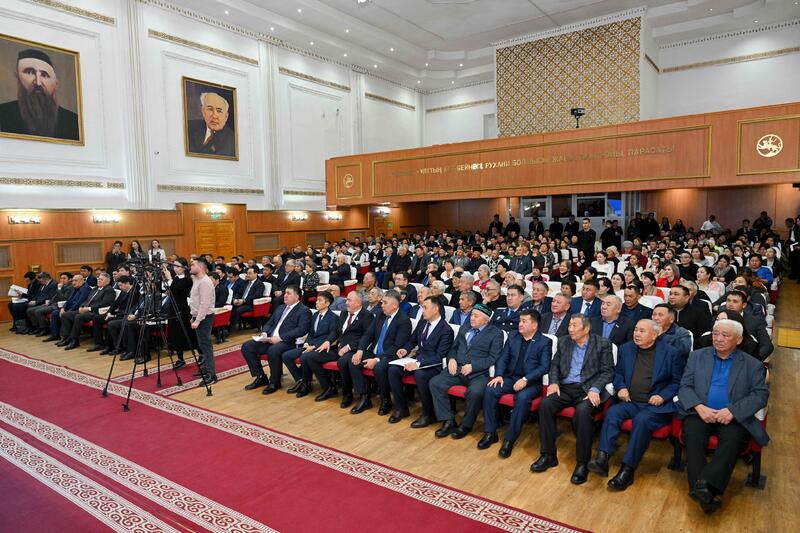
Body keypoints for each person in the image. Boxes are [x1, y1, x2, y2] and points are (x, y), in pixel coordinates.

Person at [678, 319, 769, 514]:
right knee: (693, 436)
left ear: (738, 340)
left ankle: (702, 487)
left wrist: (733, 411)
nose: (718, 339)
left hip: (732, 416)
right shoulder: (697, 356)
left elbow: (760, 395)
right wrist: (699, 406)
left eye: (725, 335)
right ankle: (706, 491)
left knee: (732, 440)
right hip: (700, 411)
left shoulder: (752, 364)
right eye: (715, 334)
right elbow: (684, 386)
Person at [587, 319, 683, 490]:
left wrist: (662, 396)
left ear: (654, 335)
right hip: (630, 401)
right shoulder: (626, 349)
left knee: (642, 421)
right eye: (636, 330)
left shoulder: (671, 353)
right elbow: (618, 374)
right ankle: (602, 458)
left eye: (642, 331)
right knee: (613, 413)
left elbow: (677, 382)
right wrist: (621, 387)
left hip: (654, 406)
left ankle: (627, 469)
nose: (636, 334)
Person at [531, 314, 614, 485]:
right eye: (569, 325)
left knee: (582, 412)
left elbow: (608, 371)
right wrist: (554, 382)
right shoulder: (564, 341)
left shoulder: (602, 344)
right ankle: (548, 454)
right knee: (545, 404)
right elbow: (554, 365)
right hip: (566, 387)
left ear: (586, 329)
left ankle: (582, 463)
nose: (570, 329)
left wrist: (595, 389)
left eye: (574, 326)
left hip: (588, 389)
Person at [479, 310, 551, 458]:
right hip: (510, 378)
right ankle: (490, 432)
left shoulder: (544, 342)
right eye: (520, 321)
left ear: (534, 325)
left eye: (524, 321)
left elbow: (544, 367)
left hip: (531, 383)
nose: (520, 324)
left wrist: (525, 379)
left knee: (522, 398)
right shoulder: (513, 336)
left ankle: (509, 440)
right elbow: (503, 358)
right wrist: (499, 375)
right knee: (490, 389)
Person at [429, 303, 504, 439]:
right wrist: (452, 359)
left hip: (478, 373)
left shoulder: (496, 333)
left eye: (476, 316)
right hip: (457, 368)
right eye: (472, 315)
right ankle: (448, 420)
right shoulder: (465, 327)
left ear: (486, 320)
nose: (472, 318)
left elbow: (493, 358)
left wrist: (473, 366)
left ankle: (466, 425)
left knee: (475, 393)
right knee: (435, 383)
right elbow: (454, 348)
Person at [388, 296, 455, 425]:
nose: (422, 310)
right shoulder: (422, 323)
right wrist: (405, 349)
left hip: (433, 365)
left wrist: (418, 364)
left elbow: (440, 356)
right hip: (418, 359)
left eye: (425, 307)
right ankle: (401, 408)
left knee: (420, 374)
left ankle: (428, 414)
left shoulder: (446, 330)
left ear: (435, 309)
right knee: (393, 370)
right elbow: (412, 340)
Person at [347, 290, 412, 415]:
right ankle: (364, 398)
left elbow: (397, 346)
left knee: (379, 367)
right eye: (382, 302)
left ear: (395, 305)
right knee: (353, 360)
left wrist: (377, 359)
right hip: (374, 352)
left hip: (391, 355)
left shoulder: (404, 320)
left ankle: (385, 400)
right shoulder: (381, 315)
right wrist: (360, 351)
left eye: (385, 303)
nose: (382, 305)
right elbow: (368, 335)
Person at [241, 286, 311, 394]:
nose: (285, 295)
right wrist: (264, 333)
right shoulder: (280, 308)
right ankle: (260, 376)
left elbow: (301, 330)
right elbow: (270, 323)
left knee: (273, 350)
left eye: (288, 293)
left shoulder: (304, 310)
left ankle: (275, 381)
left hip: (289, 342)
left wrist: (280, 338)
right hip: (271, 339)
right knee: (247, 346)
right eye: (285, 293)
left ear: (297, 297)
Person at [307, 291, 372, 406]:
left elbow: (367, 336)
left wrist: (349, 347)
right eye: (346, 300)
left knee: (343, 362)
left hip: (353, 349)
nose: (346, 303)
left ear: (358, 303)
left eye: (349, 300)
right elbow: (336, 331)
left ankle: (348, 394)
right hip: (338, 348)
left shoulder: (367, 315)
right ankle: (329, 388)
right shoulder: (344, 313)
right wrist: (328, 341)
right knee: (311, 357)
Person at [0, 48, 79, 140]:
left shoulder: (73, 121)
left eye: (44, 75)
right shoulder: (3, 113)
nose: (38, 82)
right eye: (29, 72)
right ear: (17, 77)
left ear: (56, 83)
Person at [281, 291, 338, 397]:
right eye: (317, 300)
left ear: (327, 303)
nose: (316, 302)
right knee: (286, 355)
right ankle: (301, 380)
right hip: (310, 345)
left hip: (321, 347)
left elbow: (331, 336)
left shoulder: (333, 317)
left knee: (305, 357)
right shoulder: (315, 315)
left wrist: (314, 347)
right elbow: (311, 333)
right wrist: (307, 343)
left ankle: (306, 385)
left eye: (320, 300)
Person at [57, 273, 116, 350]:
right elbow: (87, 300)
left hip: (96, 312)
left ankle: (74, 340)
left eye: (101, 279)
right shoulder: (95, 289)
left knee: (79, 317)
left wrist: (89, 308)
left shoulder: (109, 290)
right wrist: (82, 307)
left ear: (107, 282)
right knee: (66, 315)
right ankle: (66, 338)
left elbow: (105, 303)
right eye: (98, 279)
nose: (98, 280)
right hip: (87, 310)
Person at [87, 275, 137, 352]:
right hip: (118, 313)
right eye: (119, 285)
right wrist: (109, 312)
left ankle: (114, 346)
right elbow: (115, 303)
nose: (120, 287)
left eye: (121, 285)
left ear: (127, 283)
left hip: (125, 315)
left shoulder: (134, 292)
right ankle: (99, 343)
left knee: (110, 322)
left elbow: (131, 308)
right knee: (97, 318)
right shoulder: (123, 291)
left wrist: (114, 315)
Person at [720, 290, 773, 361]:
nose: (730, 304)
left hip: (746, 358)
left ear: (744, 305)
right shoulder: (718, 318)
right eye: (728, 300)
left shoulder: (755, 321)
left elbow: (767, 346)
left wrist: (753, 361)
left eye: (735, 301)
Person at [188, 259, 217, 383]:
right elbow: (195, 301)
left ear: (200, 267)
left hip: (205, 317)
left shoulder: (205, 282)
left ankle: (211, 374)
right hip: (198, 316)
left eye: (193, 265)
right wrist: (193, 316)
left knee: (206, 345)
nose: (190, 266)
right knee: (202, 344)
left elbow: (204, 304)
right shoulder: (197, 280)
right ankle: (206, 368)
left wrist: (198, 320)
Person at [162, 258, 194, 368]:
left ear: (184, 268)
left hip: (182, 308)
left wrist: (169, 279)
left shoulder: (187, 279)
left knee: (187, 332)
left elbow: (177, 289)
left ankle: (201, 353)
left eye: (177, 266)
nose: (175, 268)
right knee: (175, 334)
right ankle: (180, 358)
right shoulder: (175, 278)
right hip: (172, 308)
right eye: (174, 266)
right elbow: (169, 291)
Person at [187, 91, 235, 157]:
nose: (214, 116)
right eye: (210, 109)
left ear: (226, 116)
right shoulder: (189, 126)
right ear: (203, 111)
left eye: (219, 111)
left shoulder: (232, 140)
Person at [228, 267, 266, 332]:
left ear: (256, 274)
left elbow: (256, 296)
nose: (248, 275)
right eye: (247, 273)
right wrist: (235, 299)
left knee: (238, 310)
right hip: (241, 302)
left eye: (250, 273)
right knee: (230, 307)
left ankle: (230, 329)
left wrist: (244, 301)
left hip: (251, 304)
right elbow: (239, 292)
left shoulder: (260, 284)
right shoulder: (245, 282)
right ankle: (225, 327)